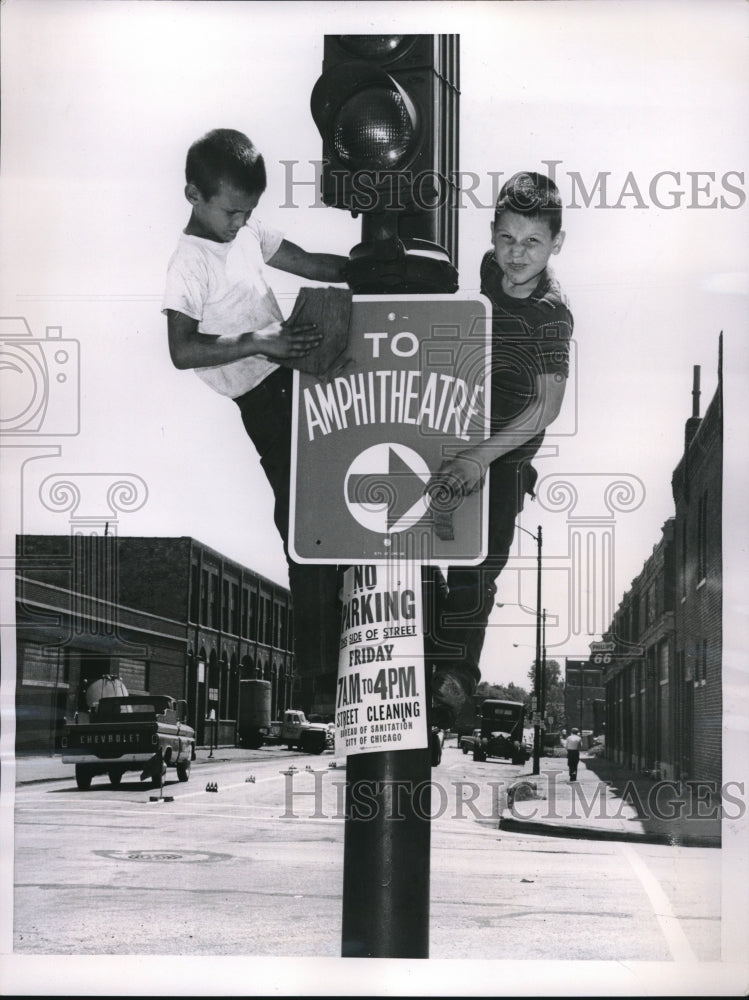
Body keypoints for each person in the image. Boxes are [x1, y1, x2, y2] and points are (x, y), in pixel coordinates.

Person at [162, 128, 349, 691]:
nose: (239, 222)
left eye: (249, 212)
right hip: (262, 396)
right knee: (302, 518)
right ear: (194, 194)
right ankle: (318, 673)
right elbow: (181, 350)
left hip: (299, 370)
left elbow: (312, 264)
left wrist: (377, 271)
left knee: (338, 497)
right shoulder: (188, 263)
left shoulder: (246, 232)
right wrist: (259, 340)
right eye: (231, 212)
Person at [426, 172, 574, 729]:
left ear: (556, 244)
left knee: (477, 567)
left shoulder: (551, 313)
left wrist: (479, 459)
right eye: (507, 238)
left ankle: (456, 677)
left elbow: (546, 408)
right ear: (492, 234)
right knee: (412, 540)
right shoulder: (491, 268)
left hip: (506, 453)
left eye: (532, 242)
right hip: (454, 424)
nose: (516, 254)